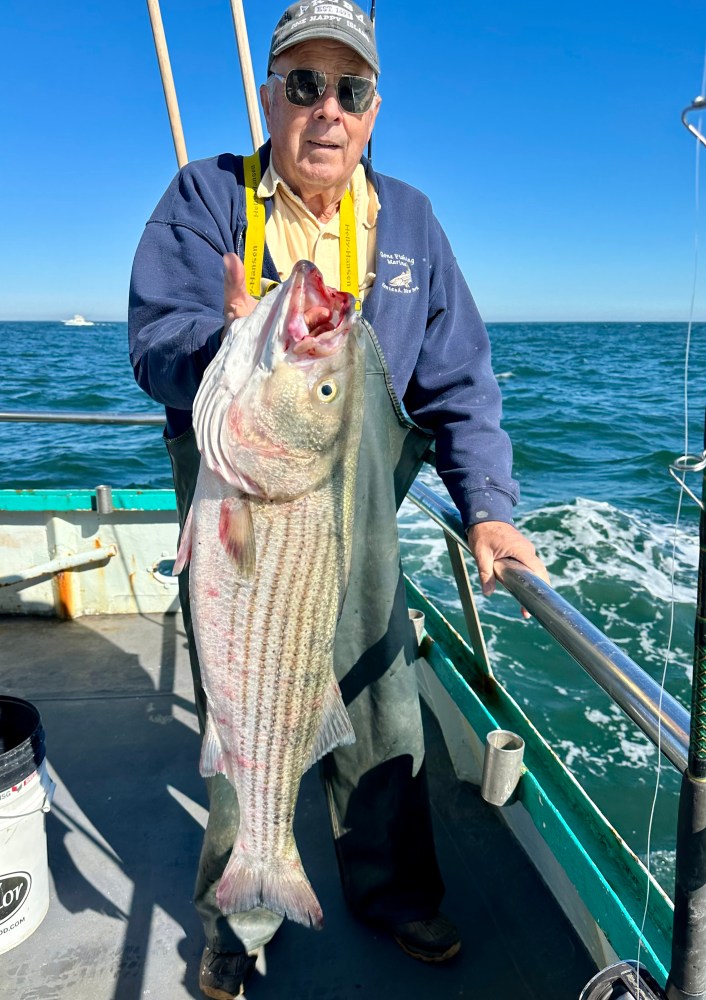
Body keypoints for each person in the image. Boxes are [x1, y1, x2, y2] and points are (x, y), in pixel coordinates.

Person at [129, 3, 548, 997]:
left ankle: (392, 894)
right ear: (269, 95)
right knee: (239, 724)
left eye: (348, 90)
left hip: (357, 539)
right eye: (304, 85)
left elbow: (459, 384)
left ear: (372, 109)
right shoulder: (205, 197)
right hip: (242, 520)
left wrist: (487, 503)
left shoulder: (407, 221)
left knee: (382, 713)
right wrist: (222, 348)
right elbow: (153, 340)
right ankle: (238, 918)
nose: (326, 109)